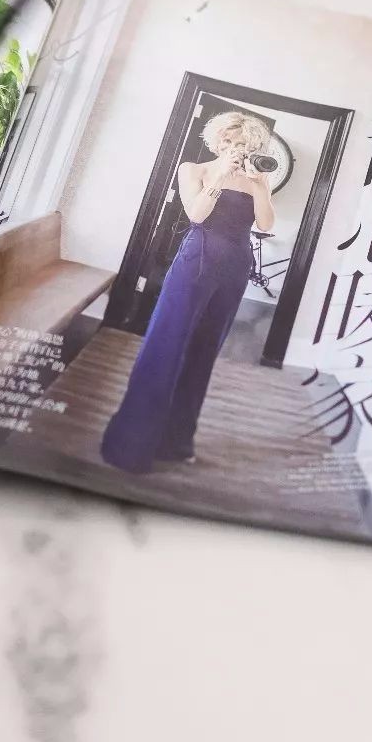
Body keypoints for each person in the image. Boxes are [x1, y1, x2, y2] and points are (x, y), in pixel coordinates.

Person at [101, 110, 275, 473]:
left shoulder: (259, 178)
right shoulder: (193, 169)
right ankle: (131, 443)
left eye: (243, 143)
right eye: (229, 141)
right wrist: (220, 177)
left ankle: (175, 442)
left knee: (204, 350)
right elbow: (196, 215)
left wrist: (259, 186)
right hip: (195, 262)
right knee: (166, 343)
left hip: (235, 267)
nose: (235, 148)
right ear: (218, 140)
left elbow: (265, 223)